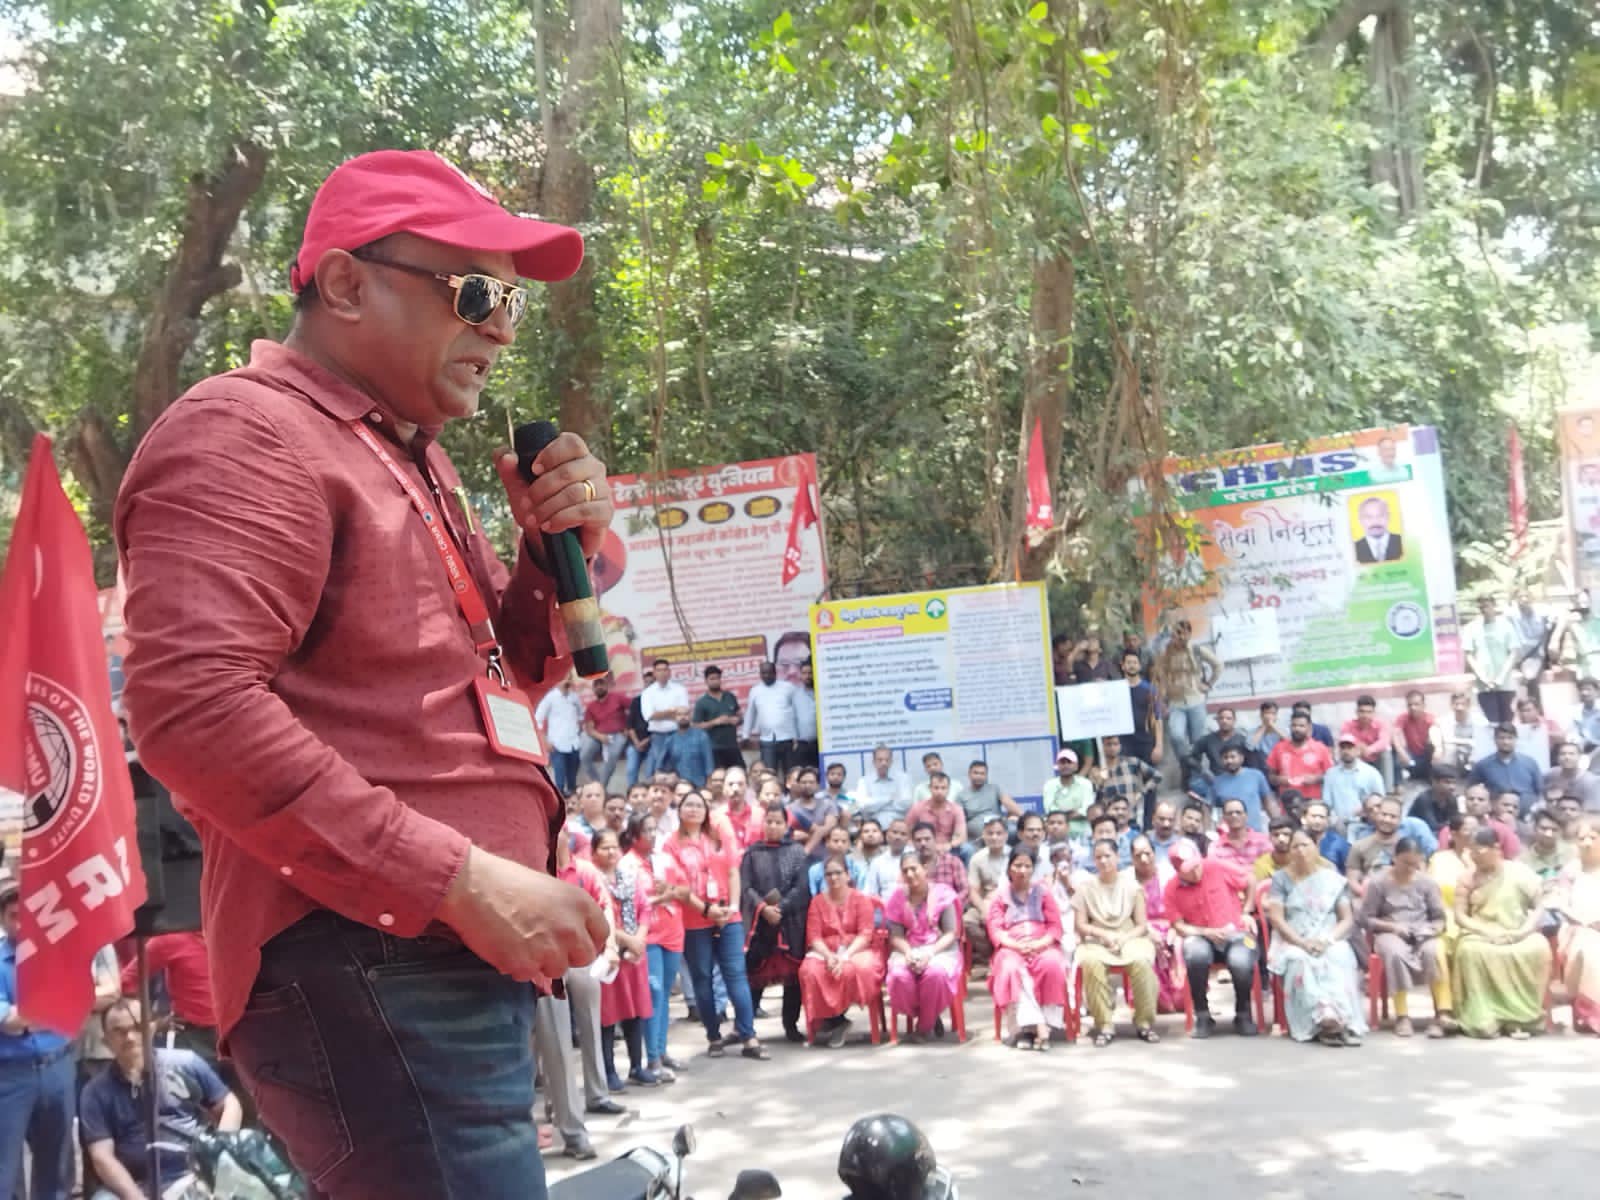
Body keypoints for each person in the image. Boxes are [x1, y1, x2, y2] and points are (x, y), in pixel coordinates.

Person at [112, 151, 612, 1200]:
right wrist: (460, 881)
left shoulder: (407, 456)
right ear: (344, 285)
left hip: (418, 961)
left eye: (510, 299)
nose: (504, 328)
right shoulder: (248, 434)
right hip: (372, 955)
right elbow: (190, 711)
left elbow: (494, 680)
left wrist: (549, 555)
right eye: (475, 294)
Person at [80, 998, 243, 1200]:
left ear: (151, 1028)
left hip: (194, 1174)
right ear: (106, 1041)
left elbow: (230, 1103)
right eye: (119, 1031)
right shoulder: (95, 1092)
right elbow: (102, 1157)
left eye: (137, 1027)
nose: (130, 1037)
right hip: (134, 1185)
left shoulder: (186, 1063)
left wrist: (220, 1150)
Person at [665, 791, 769, 1059]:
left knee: (736, 975)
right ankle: (713, 1035)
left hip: (728, 915)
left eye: (699, 805)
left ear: (707, 810)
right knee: (702, 979)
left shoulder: (719, 836)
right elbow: (678, 887)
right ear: (679, 810)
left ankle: (749, 1035)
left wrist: (732, 908)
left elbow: (734, 871)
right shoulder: (671, 844)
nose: (694, 810)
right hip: (694, 919)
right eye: (688, 805)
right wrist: (707, 910)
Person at [1, 870, 77, 1200]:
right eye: (13, 916)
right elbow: (9, 1022)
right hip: (10, 1076)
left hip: (58, 1068)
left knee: (57, 1167)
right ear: (2, 920)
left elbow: (80, 1002)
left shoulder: (58, 954)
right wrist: (52, 1010)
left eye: (26, 915)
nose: (21, 924)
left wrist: (28, 1015)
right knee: (4, 1170)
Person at [1264, 829, 1367, 1046]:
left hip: (1328, 936)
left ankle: (1342, 1020)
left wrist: (1327, 940)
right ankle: (1323, 1018)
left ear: (1316, 848)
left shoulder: (1332, 879)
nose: (1301, 851)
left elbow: (1346, 919)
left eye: (1306, 845)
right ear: (1289, 851)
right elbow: (1277, 918)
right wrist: (1302, 942)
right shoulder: (1281, 880)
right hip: (1292, 938)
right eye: (1295, 847)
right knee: (1299, 960)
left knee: (1338, 955)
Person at [1452, 828, 1553, 1039]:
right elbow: (1460, 916)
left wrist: (1524, 931)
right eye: (1470, 851)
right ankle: (1484, 1018)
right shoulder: (1467, 878)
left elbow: (1540, 906)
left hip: (1517, 931)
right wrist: (1485, 931)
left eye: (1478, 850)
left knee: (1538, 947)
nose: (1473, 855)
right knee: (1469, 951)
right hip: (1481, 932)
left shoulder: (1519, 872)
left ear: (1496, 848)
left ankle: (1522, 1019)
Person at [1164, 840, 1258, 1038]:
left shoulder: (1215, 866)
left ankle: (1243, 1012)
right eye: (1189, 870)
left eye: (1197, 866)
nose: (1196, 872)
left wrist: (1247, 910)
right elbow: (1178, 925)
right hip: (1200, 936)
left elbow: (1249, 879)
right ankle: (1203, 1014)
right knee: (1195, 955)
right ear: (1178, 870)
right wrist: (1205, 932)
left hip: (1236, 933)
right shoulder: (1172, 889)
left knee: (1241, 961)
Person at [1360, 838, 1453, 1037]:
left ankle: (1442, 1013)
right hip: (1390, 931)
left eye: (1415, 863)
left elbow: (1439, 918)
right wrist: (1392, 926)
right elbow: (1366, 919)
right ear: (1395, 858)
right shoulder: (1379, 882)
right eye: (1405, 863)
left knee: (1433, 951)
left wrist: (1430, 930)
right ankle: (1402, 1016)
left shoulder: (1427, 883)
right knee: (1395, 954)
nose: (1410, 868)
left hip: (1422, 931)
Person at [1073, 839, 1161, 1046]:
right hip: (1096, 939)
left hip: (1130, 937)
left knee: (1141, 962)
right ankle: (1104, 1024)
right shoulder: (1085, 888)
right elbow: (1081, 925)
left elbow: (1141, 925)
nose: (1103, 861)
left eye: (1108, 856)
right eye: (1098, 857)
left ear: (1117, 857)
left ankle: (1144, 1022)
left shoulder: (1132, 887)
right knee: (1091, 963)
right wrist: (1103, 935)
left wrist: (1123, 938)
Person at [590, 829, 657, 1089]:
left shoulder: (629, 877)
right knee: (608, 1016)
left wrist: (638, 938)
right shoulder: (594, 881)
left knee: (635, 1013)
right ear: (594, 852)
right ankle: (608, 1071)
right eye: (604, 848)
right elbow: (597, 917)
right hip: (608, 956)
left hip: (633, 957)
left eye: (614, 847)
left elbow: (644, 909)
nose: (610, 852)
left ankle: (636, 1066)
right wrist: (625, 939)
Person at [741, 804, 812, 1045]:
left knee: (793, 980)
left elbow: (802, 887)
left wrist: (780, 908)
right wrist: (763, 908)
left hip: (790, 922)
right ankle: (746, 1027)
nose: (773, 826)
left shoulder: (797, 852)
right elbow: (746, 887)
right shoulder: (752, 853)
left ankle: (790, 1026)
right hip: (761, 924)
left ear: (786, 825)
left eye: (778, 822)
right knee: (754, 976)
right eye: (768, 821)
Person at [987, 850, 1070, 1049]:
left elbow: (1055, 926)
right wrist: (1016, 945)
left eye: (1027, 866)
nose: (1022, 870)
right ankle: (1029, 1027)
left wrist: (1039, 944)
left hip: (1041, 944)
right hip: (1011, 947)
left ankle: (1042, 1027)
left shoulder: (1043, 893)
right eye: (1017, 865)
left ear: (1033, 869)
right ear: (1009, 868)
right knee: (1011, 968)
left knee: (1052, 964)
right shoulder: (1000, 896)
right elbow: (995, 929)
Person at [799, 856, 885, 1048]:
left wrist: (845, 956)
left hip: (856, 949)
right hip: (825, 952)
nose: (833, 877)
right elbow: (814, 937)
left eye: (838, 872)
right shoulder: (817, 902)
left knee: (852, 970)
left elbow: (865, 933)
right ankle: (836, 1021)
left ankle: (834, 1018)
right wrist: (830, 957)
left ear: (848, 875)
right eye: (828, 874)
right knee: (809, 971)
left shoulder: (860, 899)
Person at [628, 812, 687, 1083]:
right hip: (647, 933)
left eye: (654, 829)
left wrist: (671, 891)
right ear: (634, 834)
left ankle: (662, 1052)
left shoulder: (664, 858)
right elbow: (630, 903)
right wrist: (657, 897)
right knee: (653, 992)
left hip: (672, 929)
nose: (652, 834)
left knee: (664, 995)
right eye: (646, 830)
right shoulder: (627, 864)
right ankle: (651, 1057)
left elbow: (685, 890)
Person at [884, 854, 963, 1042]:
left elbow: (951, 933)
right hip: (908, 949)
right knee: (899, 977)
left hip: (940, 949)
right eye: (905, 871)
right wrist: (909, 953)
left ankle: (923, 1027)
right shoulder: (897, 897)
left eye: (914, 869)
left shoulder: (943, 894)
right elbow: (896, 936)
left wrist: (929, 953)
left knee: (935, 974)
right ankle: (929, 1014)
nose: (910, 874)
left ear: (925, 869)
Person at [1151, 619, 1224, 772]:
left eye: (1180, 634)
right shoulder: (1167, 653)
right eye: (1174, 634)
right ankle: (1185, 765)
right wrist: (1162, 700)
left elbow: (1218, 665)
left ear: (1188, 634)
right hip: (1175, 702)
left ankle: (1195, 773)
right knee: (1176, 735)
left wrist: (1208, 684)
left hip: (1195, 700)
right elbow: (1161, 677)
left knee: (1197, 740)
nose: (1177, 637)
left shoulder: (1197, 650)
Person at [1127, 835, 1186, 1014]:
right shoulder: (1126, 880)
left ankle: (1182, 999)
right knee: (1144, 950)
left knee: (1180, 948)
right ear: (1131, 858)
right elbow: (1123, 916)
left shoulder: (1169, 874)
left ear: (1154, 853)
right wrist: (1147, 931)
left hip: (1172, 927)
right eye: (1138, 855)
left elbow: (1182, 906)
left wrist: (1175, 928)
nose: (1144, 859)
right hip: (1139, 930)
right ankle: (1154, 1001)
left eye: (1147, 853)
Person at [1553, 817, 1600, 1033]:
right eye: (1582, 838)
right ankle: (1591, 1014)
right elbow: (1561, 903)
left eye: (1593, 837)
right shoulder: (1570, 871)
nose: (1587, 843)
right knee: (1589, 947)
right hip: (1576, 927)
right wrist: (1584, 921)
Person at [1464, 595, 1519, 724]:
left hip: (1506, 685)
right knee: (1491, 725)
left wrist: (1500, 679)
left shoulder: (1506, 626)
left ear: (1493, 606)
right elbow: (1469, 655)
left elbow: (1513, 653)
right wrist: (1484, 678)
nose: (1484, 610)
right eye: (1481, 607)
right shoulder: (1471, 628)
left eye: (1487, 606)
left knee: (1507, 725)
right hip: (1484, 687)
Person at [1467, 724, 1543, 816]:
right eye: (1501, 738)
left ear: (1516, 740)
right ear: (1495, 740)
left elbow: (1541, 791)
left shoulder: (1530, 763)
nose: (1506, 742)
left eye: (1510, 738)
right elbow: (1470, 789)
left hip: (1528, 815)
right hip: (1497, 817)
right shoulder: (1483, 765)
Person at [741, 660, 801, 775]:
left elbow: (797, 711)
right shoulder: (755, 690)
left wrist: (797, 736)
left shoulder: (788, 688)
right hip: (767, 740)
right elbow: (750, 714)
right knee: (769, 774)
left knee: (791, 774)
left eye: (769, 673)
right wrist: (745, 735)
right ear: (760, 674)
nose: (766, 676)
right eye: (763, 673)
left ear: (775, 673)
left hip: (787, 739)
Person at [1092, 735, 1161, 831]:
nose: (1112, 747)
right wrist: (1100, 780)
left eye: (1115, 744)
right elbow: (1096, 796)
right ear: (1103, 747)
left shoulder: (1132, 763)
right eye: (1108, 744)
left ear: (1120, 746)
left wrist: (1141, 792)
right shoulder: (1097, 771)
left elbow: (1157, 776)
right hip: (1110, 821)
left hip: (1132, 817)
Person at [536, 671, 587, 796]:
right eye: (564, 678)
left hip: (574, 743)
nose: (567, 681)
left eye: (569, 678)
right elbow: (537, 720)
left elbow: (581, 716)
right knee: (559, 781)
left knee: (572, 780)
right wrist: (545, 741)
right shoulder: (550, 697)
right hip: (557, 744)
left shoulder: (574, 697)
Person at [641, 658, 693, 778]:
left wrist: (661, 714)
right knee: (661, 769)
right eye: (659, 670)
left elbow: (683, 713)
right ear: (654, 673)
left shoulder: (680, 689)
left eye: (665, 670)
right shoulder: (647, 693)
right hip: (658, 736)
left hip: (678, 733)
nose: (662, 673)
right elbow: (649, 716)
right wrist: (671, 712)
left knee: (682, 766)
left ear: (669, 672)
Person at [1203, 743, 1274, 832]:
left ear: (1241, 758)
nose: (1229, 761)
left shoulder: (1256, 775)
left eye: (1233, 757)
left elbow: (1268, 802)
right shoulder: (1217, 782)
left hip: (1255, 833)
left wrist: (1277, 822)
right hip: (1228, 834)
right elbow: (1207, 807)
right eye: (1225, 758)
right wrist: (1207, 831)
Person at [1267, 712, 1334, 803]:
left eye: (1301, 726)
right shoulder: (1279, 748)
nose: (1297, 729)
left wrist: (1316, 779)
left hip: (1312, 804)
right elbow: (1270, 777)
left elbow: (1331, 775)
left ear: (1309, 728)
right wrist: (1279, 780)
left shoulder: (1320, 748)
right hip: (1287, 804)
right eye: (1294, 725)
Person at [580, 671, 631, 788]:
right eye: (596, 685)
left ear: (607, 685)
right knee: (584, 756)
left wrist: (629, 728)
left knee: (613, 755)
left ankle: (601, 787)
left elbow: (634, 709)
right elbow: (589, 728)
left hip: (619, 734)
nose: (599, 687)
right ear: (593, 689)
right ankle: (597, 782)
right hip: (598, 736)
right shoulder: (591, 706)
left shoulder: (618, 698)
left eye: (601, 684)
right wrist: (600, 737)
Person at [1322, 735, 1384, 828]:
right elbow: (1326, 802)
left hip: (1364, 824)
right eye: (1343, 748)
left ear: (1358, 750)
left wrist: (1365, 812)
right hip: (1338, 825)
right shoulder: (1330, 774)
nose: (1346, 751)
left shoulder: (1371, 773)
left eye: (1350, 748)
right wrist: (1334, 819)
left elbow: (1380, 800)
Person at [1188, 707, 1250, 799]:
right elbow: (1191, 757)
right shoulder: (1208, 739)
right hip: (1215, 779)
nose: (1224, 721)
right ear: (1217, 720)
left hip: (1236, 778)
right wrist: (1202, 770)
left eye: (1228, 718)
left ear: (1234, 721)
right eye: (1221, 718)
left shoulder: (1241, 740)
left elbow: (1250, 763)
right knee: (1195, 784)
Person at [1119, 649, 1165, 768]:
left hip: (1146, 742)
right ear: (1123, 666)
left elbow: (1157, 718)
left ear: (1139, 666)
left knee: (1150, 781)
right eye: (1128, 663)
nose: (1132, 666)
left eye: (1135, 663)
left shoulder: (1149, 689)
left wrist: (1159, 746)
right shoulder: (1116, 690)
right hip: (1125, 744)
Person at [1340, 694, 1396, 791]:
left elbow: (1384, 741)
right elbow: (1345, 741)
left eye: (1369, 712)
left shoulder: (1381, 724)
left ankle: (1387, 791)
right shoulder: (1348, 725)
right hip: (1358, 760)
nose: (1365, 715)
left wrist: (1369, 749)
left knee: (1386, 751)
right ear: (1356, 712)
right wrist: (1359, 747)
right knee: (1347, 753)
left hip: (1376, 759)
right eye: (1362, 712)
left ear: (1374, 713)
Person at [911, 821, 970, 905]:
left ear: (935, 839)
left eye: (927, 839)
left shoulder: (952, 861)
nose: (923, 843)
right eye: (918, 840)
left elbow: (965, 891)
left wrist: (948, 906)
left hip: (951, 910)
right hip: (921, 912)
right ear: (913, 843)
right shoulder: (911, 867)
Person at [905, 772, 968, 852]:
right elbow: (906, 832)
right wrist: (916, 845)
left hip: (948, 848)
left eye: (943, 788)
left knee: (967, 849)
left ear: (948, 789)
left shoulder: (956, 809)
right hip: (923, 848)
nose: (939, 792)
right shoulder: (917, 808)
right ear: (930, 788)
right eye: (936, 788)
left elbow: (961, 837)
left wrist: (950, 845)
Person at [1208, 798, 1272, 873]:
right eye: (1230, 813)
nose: (1234, 815)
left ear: (1246, 816)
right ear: (1224, 818)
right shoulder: (1216, 846)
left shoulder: (1263, 841)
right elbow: (1214, 872)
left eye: (1238, 812)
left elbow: (1270, 869)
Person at [853, 745, 912, 827]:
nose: (884, 763)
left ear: (891, 761)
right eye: (880, 760)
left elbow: (906, 804)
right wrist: (889, 799)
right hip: (873, 827)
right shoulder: (864, 781)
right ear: (874, 762)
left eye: (887, 760)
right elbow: (863, 806)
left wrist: (875, 805)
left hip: (898, 825)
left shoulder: (903, 778)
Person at [1041, 748, 1094, 837]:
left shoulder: (1085, 784)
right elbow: (1049, 808)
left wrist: (1072, 814)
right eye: (1062, 762)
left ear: (1076, 766)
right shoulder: (1049, 785)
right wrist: (1067, 815)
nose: (1066, 765)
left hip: (1082, 829)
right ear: (1057, 765)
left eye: (1069, 762)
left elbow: (1087, 808)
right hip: (1057, 830)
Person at [1394, 689, 1442, 782]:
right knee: (1394, 749)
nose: (1413, 707)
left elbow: (1436, 732)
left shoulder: (1430, 718)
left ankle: (1434, 778)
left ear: (1423, 705)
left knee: (1433, 745)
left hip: (1426, 757)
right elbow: (1395, 734)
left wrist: (1438, 749)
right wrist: (1401, 751)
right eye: (1410, 705)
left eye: (1416, 704)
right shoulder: (1403, 718)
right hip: (1411, 757)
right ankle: (1398, 784)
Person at [662, 710, 715, 788]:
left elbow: (708, 761)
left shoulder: (702, 736)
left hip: (700, 784)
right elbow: (663, 764)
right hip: (679, 786)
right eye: (679, 715)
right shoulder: (670, 740)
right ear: (674, 718)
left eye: (686, 714)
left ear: (691, 716)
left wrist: (709, 783)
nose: (683, 717)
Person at [1545, 741, 1600, 812]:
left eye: (1571, 754)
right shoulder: (1551, 774)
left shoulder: (1590, 781)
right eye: (1563, 754)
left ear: (1580, 757)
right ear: (1557, 757)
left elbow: (1594, 812)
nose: (1567, 757)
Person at [1301, 801, 1349, 875]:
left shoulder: (1339, 844)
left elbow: (1350, 872)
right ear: (1303, 819)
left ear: (1328, 820)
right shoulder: (1295, 843)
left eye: (1321, 817)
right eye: (1313, 816)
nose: (1317, 821)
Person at [1353, 495, 1403, 563]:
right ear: (1360, 520)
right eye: (1368, 517)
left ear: (1388, 517)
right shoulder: (1353, 549)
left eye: (1380, 515)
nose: (1375, 521)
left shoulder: (1404, 542)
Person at [1254, 815, 1302, 883]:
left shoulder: (1304, 859)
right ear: (1269, 837)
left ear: (1294, 836)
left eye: (1286, 834)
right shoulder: (1261, 864)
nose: (1281, 839)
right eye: (1276, 835)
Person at [626, 690, 653, 789]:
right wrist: (637, 743)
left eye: (651, 682)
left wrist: (646, 741)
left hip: (652, 743)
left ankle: (649, 794)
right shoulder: (636, 701)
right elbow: (629, 726)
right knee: (631, 769)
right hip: (635, 743)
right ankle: (632, 792)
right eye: (647, 682)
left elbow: (659, 730)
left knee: (650, 771)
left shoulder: (657, 701)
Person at [1567, 677, 1600, 756]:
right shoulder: (1574, 711)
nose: (1585, 693)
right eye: (1582, 690)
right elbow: (1572, 733)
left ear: (1597, 692)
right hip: (1583, 751)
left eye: (1588, 689)